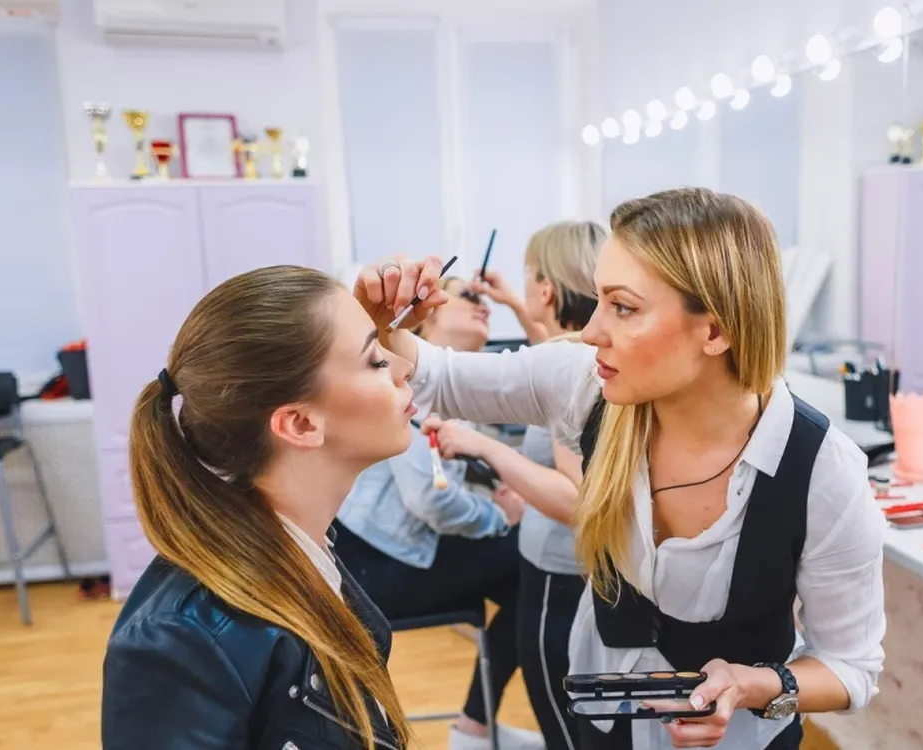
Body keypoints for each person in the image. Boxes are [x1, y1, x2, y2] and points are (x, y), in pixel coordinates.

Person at [353, 188, 887, 750]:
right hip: (606, 722)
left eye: (623, 307)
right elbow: (435, 376)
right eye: (598, 300)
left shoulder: (821, 474)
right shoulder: (587, 384)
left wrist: (755, 685)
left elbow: (850, 667)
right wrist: (380, 319)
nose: (590, 332)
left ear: (715, 331)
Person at [102, 265, 451, 749]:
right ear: (300, 424)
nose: (404, 367)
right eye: (375, 360)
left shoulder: (308, 551)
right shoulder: (182, 638)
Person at [333, 276, 538, 750]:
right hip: (376, 568)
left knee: (527, 575)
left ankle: (476, 726)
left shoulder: (452, 394)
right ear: (428, 319)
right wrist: (499, 517)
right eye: (469, 296)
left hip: (384, 555)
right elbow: (431, 499)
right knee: (532, 562)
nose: (484, 306)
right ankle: (477, 726)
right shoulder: (409, 387)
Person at [429, 220, 604, 750]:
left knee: (564, 730)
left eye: (529, 277)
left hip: (560, 572)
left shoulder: (572, 371)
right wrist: (514, 303)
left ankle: (471, 728)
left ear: (545, 288)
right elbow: (549, 356)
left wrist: (488, 449)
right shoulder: (587, 357)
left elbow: (576, 499)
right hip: (562, 569)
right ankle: (473, 725)